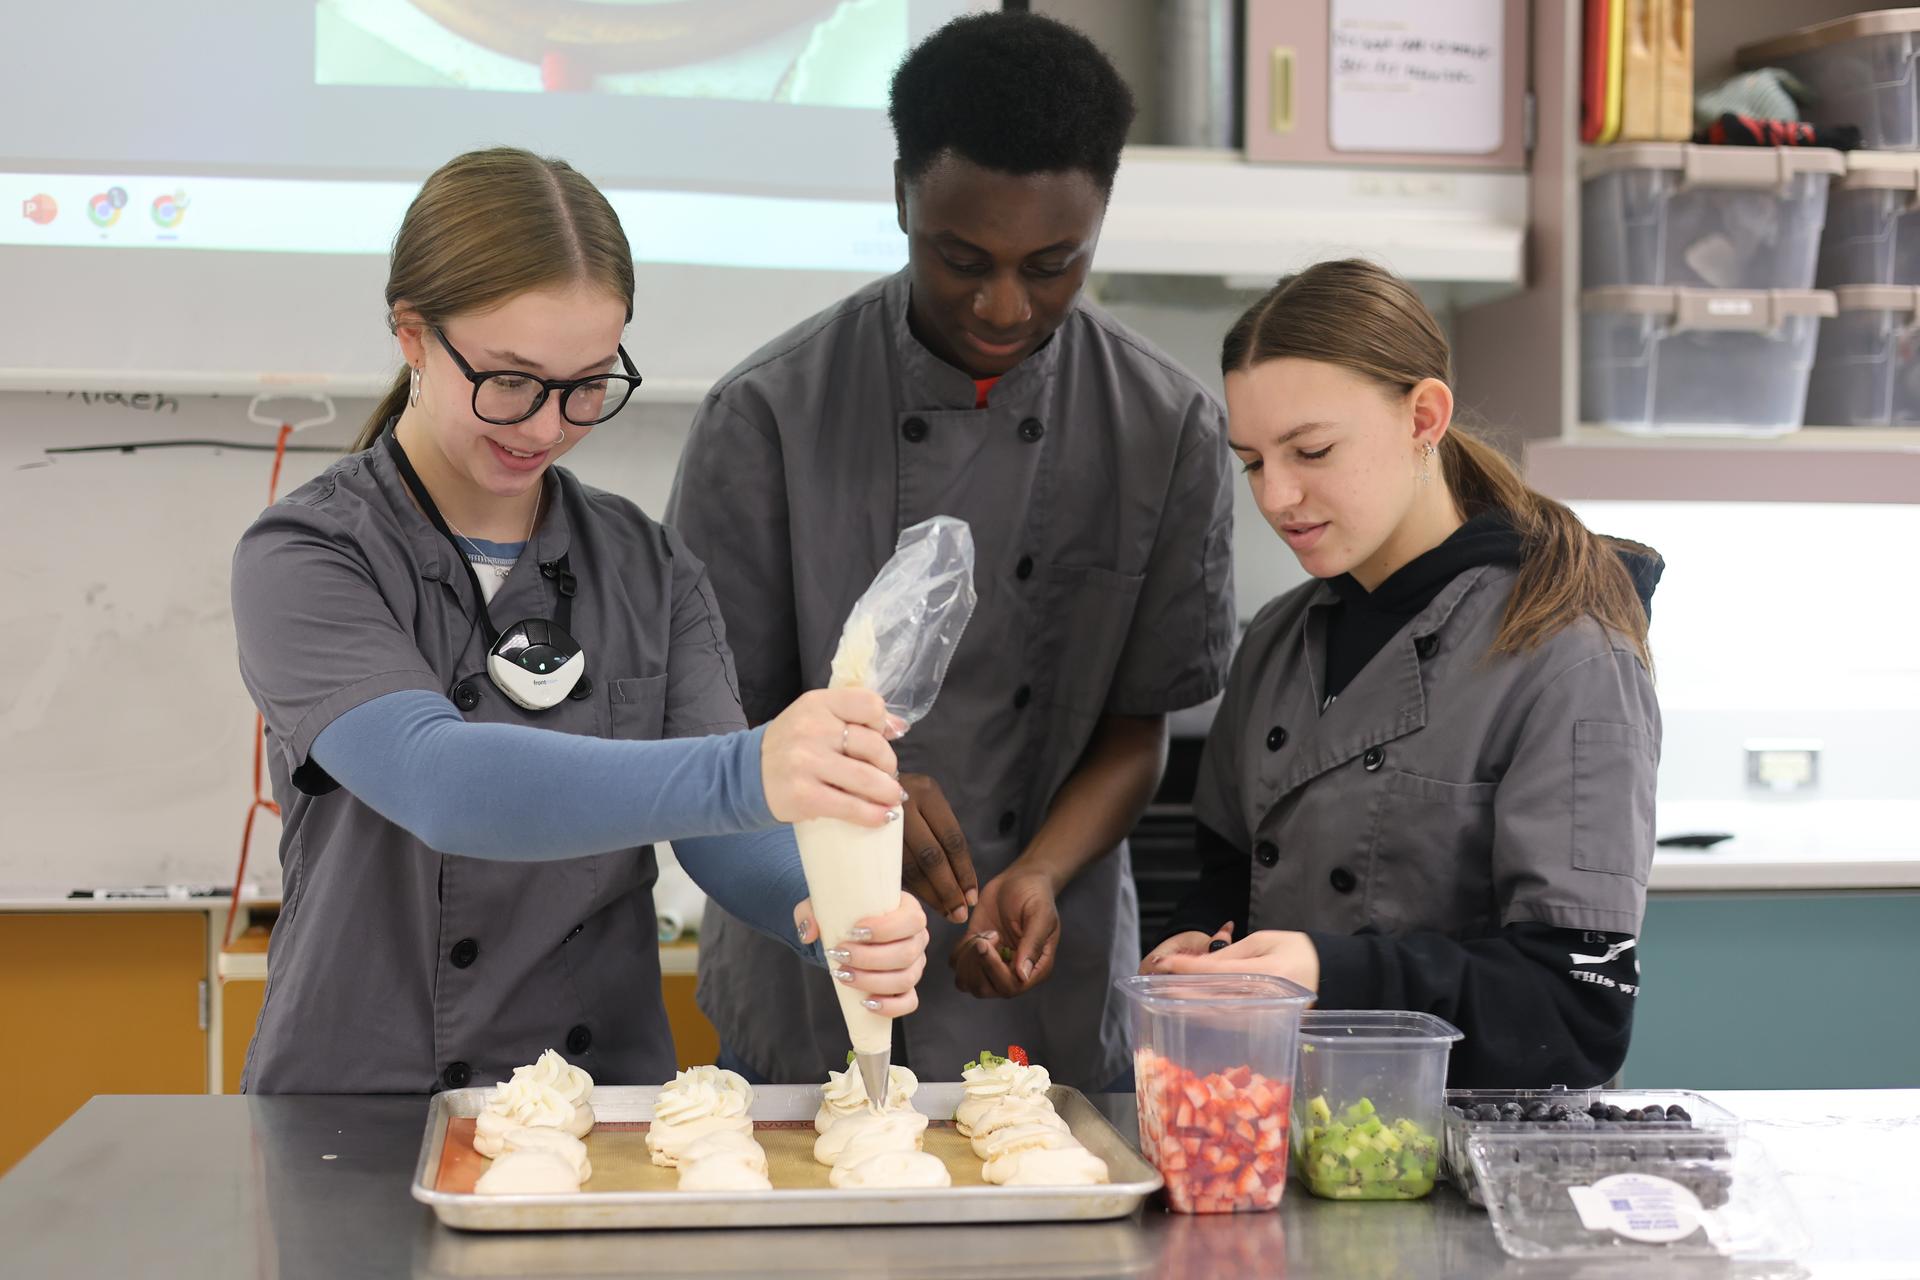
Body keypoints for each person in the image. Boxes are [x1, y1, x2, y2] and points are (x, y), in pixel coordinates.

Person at [230, 148, 928, 1094]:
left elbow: (722, 835)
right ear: (412, 335)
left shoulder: (647, 564)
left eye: (589, 383)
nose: (549, 425)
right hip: (363, 1109)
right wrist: (752, 768)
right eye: (511, 381)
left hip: (603, 1107)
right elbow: (444, 783)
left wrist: (828, 909)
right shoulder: (307, 555)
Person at [666, 11, 1235, 1090]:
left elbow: (1137, 729)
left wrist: (1042, 868)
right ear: (901, 199)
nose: (1003, 304)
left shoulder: (1166, 429)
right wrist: (847, 781)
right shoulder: (766, 415)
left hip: (1048, 979)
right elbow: (709, 734)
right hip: (808, 976)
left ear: (1101, 220)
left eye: (1053, 263)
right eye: (962, 257)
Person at [1144, 258, 1663, 1088]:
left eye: (1310, 450)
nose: (1277, 496)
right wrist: (1200, 946)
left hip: (1477, 1167)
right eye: (1251, 461)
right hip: (1284, 1136)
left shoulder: (1569, 652)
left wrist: (1326, 976)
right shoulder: (1278, 638)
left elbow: (1575, 1015)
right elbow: (1226, 877)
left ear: (1424, 416)